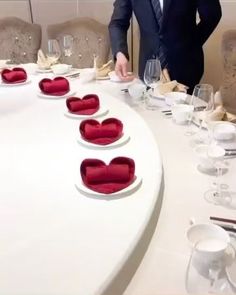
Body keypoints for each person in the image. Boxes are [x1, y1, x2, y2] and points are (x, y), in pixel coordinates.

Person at [108, 0, 222, 92]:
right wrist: (120, 53)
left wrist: (192, 44)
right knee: (151, 116)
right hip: (149, 70)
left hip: (185, 68)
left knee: (183, 117)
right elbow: (117, 23)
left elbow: (212, 15)